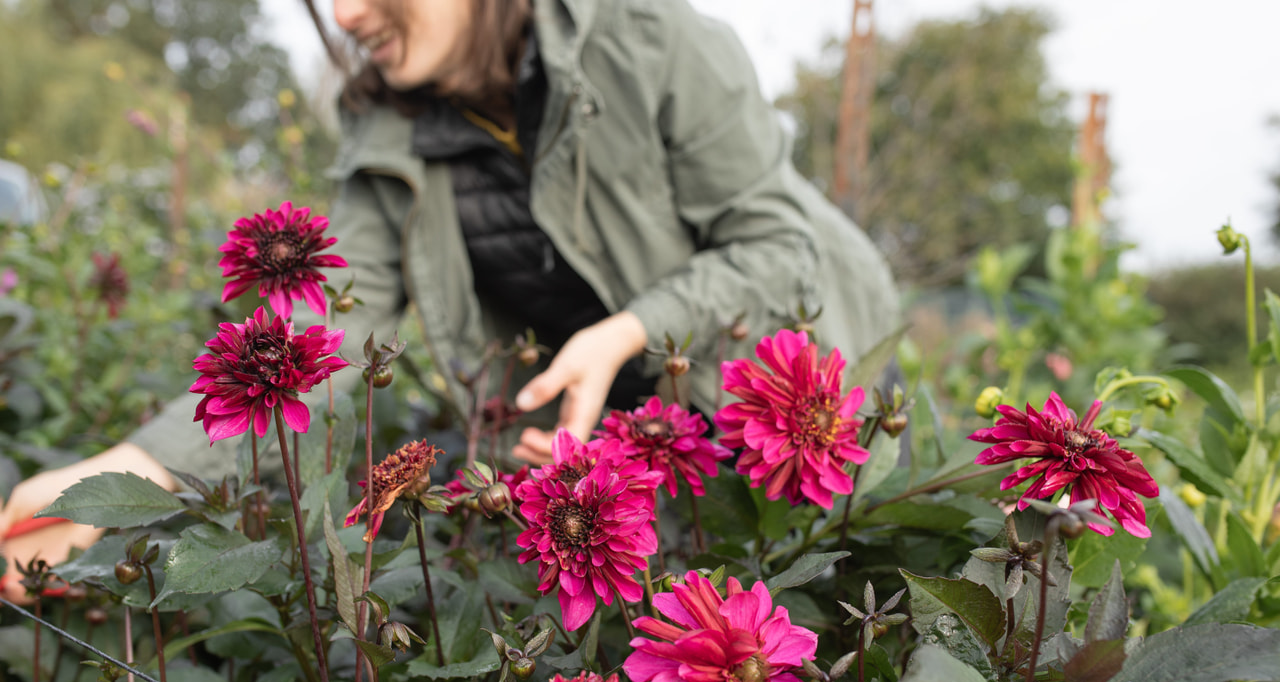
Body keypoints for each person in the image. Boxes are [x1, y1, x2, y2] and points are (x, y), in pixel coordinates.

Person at [0, 0, 899, 599]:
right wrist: (131, 476)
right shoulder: (389, 125)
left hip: (808, 397)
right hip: (631, 439)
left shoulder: (649, 37)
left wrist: (626, 333)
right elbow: (330, 334)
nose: (349, 14)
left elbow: (776, 246)